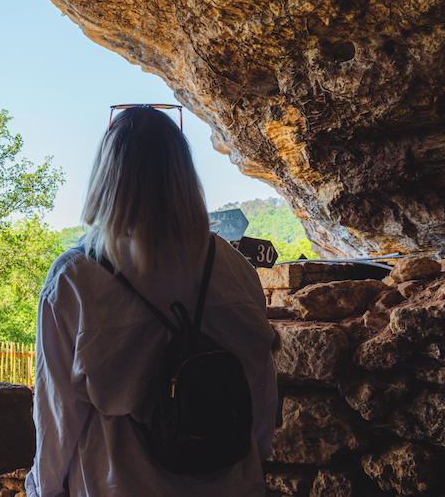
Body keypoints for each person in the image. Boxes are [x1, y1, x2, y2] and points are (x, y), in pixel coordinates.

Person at [27, 107, 277, 497]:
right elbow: (260, 388)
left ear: (106, 178)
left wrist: (44, 488)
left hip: (119, 481)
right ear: (184, 176)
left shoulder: (74, 280)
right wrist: (255, 458)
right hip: (231, 480)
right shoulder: (233, 268)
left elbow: (58, 414)